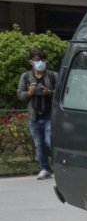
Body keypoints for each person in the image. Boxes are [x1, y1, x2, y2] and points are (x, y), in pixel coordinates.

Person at [17, 48, 57, 179]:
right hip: (34, 117)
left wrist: (50, 92)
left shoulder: (52, 75)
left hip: (50, 116)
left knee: (49, 142)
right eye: (36, 60)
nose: (39, 62)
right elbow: (20, 95)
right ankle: (45, 169)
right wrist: (29, 93)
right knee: (39, 145)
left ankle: (57, 167)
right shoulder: (26, 76)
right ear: (31, 62)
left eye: (41, 60)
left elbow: (62, 93)